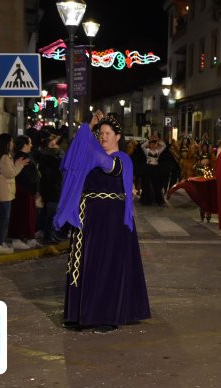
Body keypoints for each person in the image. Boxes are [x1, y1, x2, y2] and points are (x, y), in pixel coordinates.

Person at [55, 112, 151, 333]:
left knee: (107, 267)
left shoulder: (122, 159)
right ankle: (80, 314)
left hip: (112, 222)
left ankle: (107, 316)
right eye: (101, 134)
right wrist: (88, 126)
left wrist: (87, 134)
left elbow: (106, 164)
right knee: (84, 264)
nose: (103, 137)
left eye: (108, 134)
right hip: (88, 218)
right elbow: (72, 158)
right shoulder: (91, 157)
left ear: (118, 136)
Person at [0, 134, 30, 254]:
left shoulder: (4, 156)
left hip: (4, 191)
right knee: (3, 219)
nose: (13, 144)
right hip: (3, 192)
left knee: (3, 218)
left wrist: (16, 164)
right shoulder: (4, 157)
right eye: (11, 142)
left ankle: (0, 242)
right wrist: (20, 165)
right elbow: (10, 173)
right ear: (6, 143)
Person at [8, 135, 41, 249]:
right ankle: (18, 238)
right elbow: (24, 175)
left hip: (28, 190)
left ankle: (28, 237)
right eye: (30, 143)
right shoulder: (21, 157)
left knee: (29, 215)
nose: (31, 145)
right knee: (21, 215)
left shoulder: (27, 156)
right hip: (23, 190)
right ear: (25, 145)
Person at [38, 132, 64, 244]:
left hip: (53, 186)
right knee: (51, 212)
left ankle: (51, 233)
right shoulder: (48, 157)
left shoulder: (51, 155)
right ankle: (48, 235)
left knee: (53, 212)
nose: (56, 144)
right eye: (53, 143)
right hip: (50, 187)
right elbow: (60, 164)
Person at [140, 132, 167, 206]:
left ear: (156, 145)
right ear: (150, 145)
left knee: (157, 184)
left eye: (154, 144)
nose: (153, 145)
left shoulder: (158, 151)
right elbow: (142, 146)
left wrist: (158, 140)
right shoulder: (147, 151)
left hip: (156, 169)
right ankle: (146, 201)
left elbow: (164, 146)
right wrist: (149, 140)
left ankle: (158, 201)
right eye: (152, 144)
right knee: (147, 184)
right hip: (148, 168)